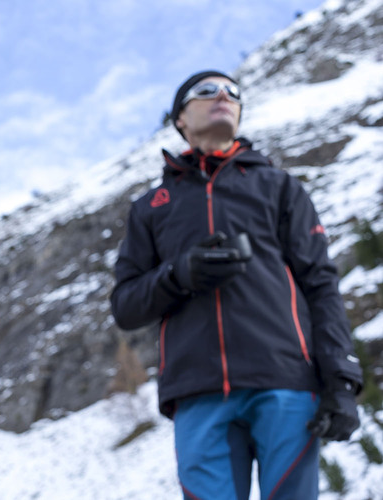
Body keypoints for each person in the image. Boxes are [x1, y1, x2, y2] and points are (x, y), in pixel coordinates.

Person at [110, 70, 363, 499]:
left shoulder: (280, 187)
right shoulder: (151, 207)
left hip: (286, 383)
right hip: (197, 392)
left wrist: (341, 381)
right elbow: (126, 305)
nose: (223, 96)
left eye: (233, 92)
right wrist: (178, 275)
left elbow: (321, 285)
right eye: (206, 91)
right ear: (180, 119)